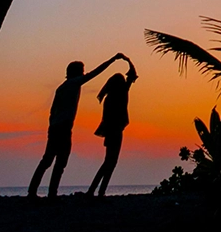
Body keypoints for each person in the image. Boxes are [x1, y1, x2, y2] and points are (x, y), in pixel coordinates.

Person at [28, 53, 127, 198]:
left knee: (49, 159)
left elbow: (52, 111)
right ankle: (49, 193)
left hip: (56, 127)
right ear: (75, 72)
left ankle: (37, 191)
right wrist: (112, 60)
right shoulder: (74, 83)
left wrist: (53, 124)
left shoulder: (61, 88)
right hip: (63, 128)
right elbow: (96, 72)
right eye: (81, 70)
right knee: (59, 161)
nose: (83, 73)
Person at [87, 56, 139, 197]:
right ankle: (97, 191)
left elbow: (131, 76)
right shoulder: (121, 93)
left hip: (111, 131)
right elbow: (133, 75)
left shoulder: (109, 98)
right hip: (115, 131)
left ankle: (95, 190)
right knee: (111, 162)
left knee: (108, 162)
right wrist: (128, 60)